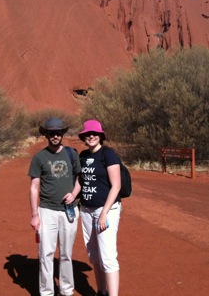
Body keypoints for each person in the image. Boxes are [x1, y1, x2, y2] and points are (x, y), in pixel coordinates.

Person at [29, 117, 82, 296]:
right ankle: (46, 292)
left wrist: (74, 194)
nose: (55, 136)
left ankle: (66, 290)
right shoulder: (40, 157)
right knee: (46, 253)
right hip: (47, 211)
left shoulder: (71, 154)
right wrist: (35, 214)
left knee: (66, 253)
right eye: (52, 133)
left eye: (58, 133)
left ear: (62, 134)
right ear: (46, 135)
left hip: (69, 210)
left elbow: (79, 180)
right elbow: (34, 187)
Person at [71, 119, 122, 296]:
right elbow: (81, 180)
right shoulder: (83, 156)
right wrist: (73, 195)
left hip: (105, 210)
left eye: (94, 134)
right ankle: (101, 291)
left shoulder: (108, 155)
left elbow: (116, 186)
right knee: (94, 254)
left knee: (107, 256)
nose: (91, 136)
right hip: (86, 209)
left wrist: (104, 213)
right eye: (87, 134)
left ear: (100, 136)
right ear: (84, 137)